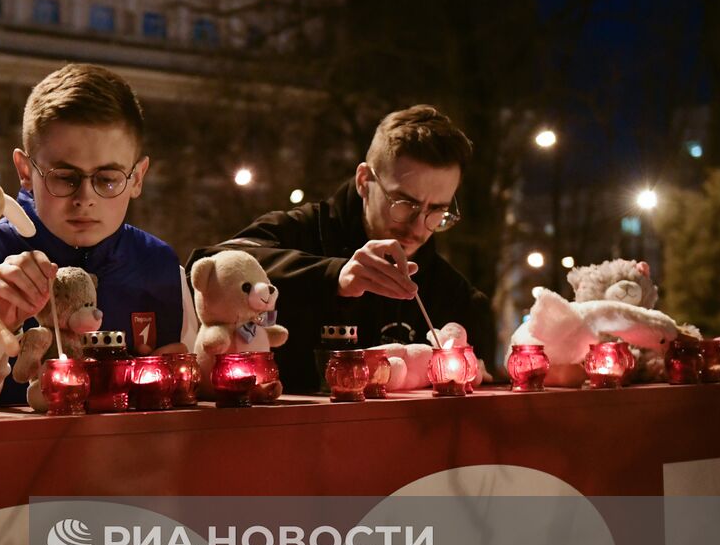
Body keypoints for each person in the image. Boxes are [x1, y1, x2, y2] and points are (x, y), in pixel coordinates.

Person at [0, 63, 198, 403]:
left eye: (107, 179)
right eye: (65, 177)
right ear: (25, 171)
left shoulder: (163, 271)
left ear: (137, 178)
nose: (85, 200)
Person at [190, 104, 494, 393]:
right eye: (404, 204)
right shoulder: (303, 231)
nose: (418, 227)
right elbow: (207, 264)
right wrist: (332, 277)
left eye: (437, 211)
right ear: (364, 181)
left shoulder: (455, 298)